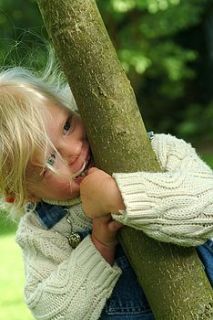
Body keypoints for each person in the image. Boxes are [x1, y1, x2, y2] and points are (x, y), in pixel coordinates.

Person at [0, 63, 213, 320]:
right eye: (49, 161)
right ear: (23, 193)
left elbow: (207, 206)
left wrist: (119, 197)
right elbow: (52, 313)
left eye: (67, 126)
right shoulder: (42, 232)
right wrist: (98, 246)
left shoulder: (156, 153)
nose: (73, 150)